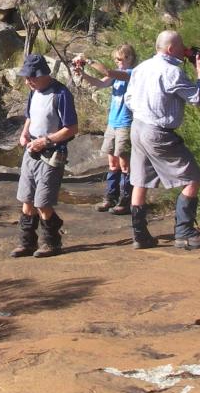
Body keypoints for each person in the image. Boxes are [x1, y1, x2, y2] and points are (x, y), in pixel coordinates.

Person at [124, 30, 200, 250]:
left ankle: (140, 235)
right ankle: (184, 232)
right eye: (181, 46)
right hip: (158, 131)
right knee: (192, 177)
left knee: (140, 180)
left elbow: (128, 98)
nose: (185, 50)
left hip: (137, 127)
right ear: (171, 49)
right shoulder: (172, 72)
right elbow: (198, 98)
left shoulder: (141, 67)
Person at [11, 54, 79, 258]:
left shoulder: (61, 93)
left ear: (43, 75)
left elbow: (72, 128)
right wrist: (24, 134)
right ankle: (27, 242)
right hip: (31, 151)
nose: (27, 81)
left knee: (42, 201)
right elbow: (30, 117)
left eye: (31, 77)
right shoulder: (34, 92)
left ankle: (52, 241)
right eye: (26, 77)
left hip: (52, 153)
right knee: (26, 199)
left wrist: (46, 141)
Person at [74, 44, 137, 215]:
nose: (118, 62)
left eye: (121, 59)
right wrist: (84, 74)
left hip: (125, 123)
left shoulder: (131, 74)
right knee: (112, 163)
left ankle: (125, 200)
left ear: (130, 59)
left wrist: (88, 60)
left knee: (125, 164)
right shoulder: (117, 75)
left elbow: (107, 72)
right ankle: (111, 197)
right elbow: (99, 83)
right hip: (113, 122)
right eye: (116, 59)